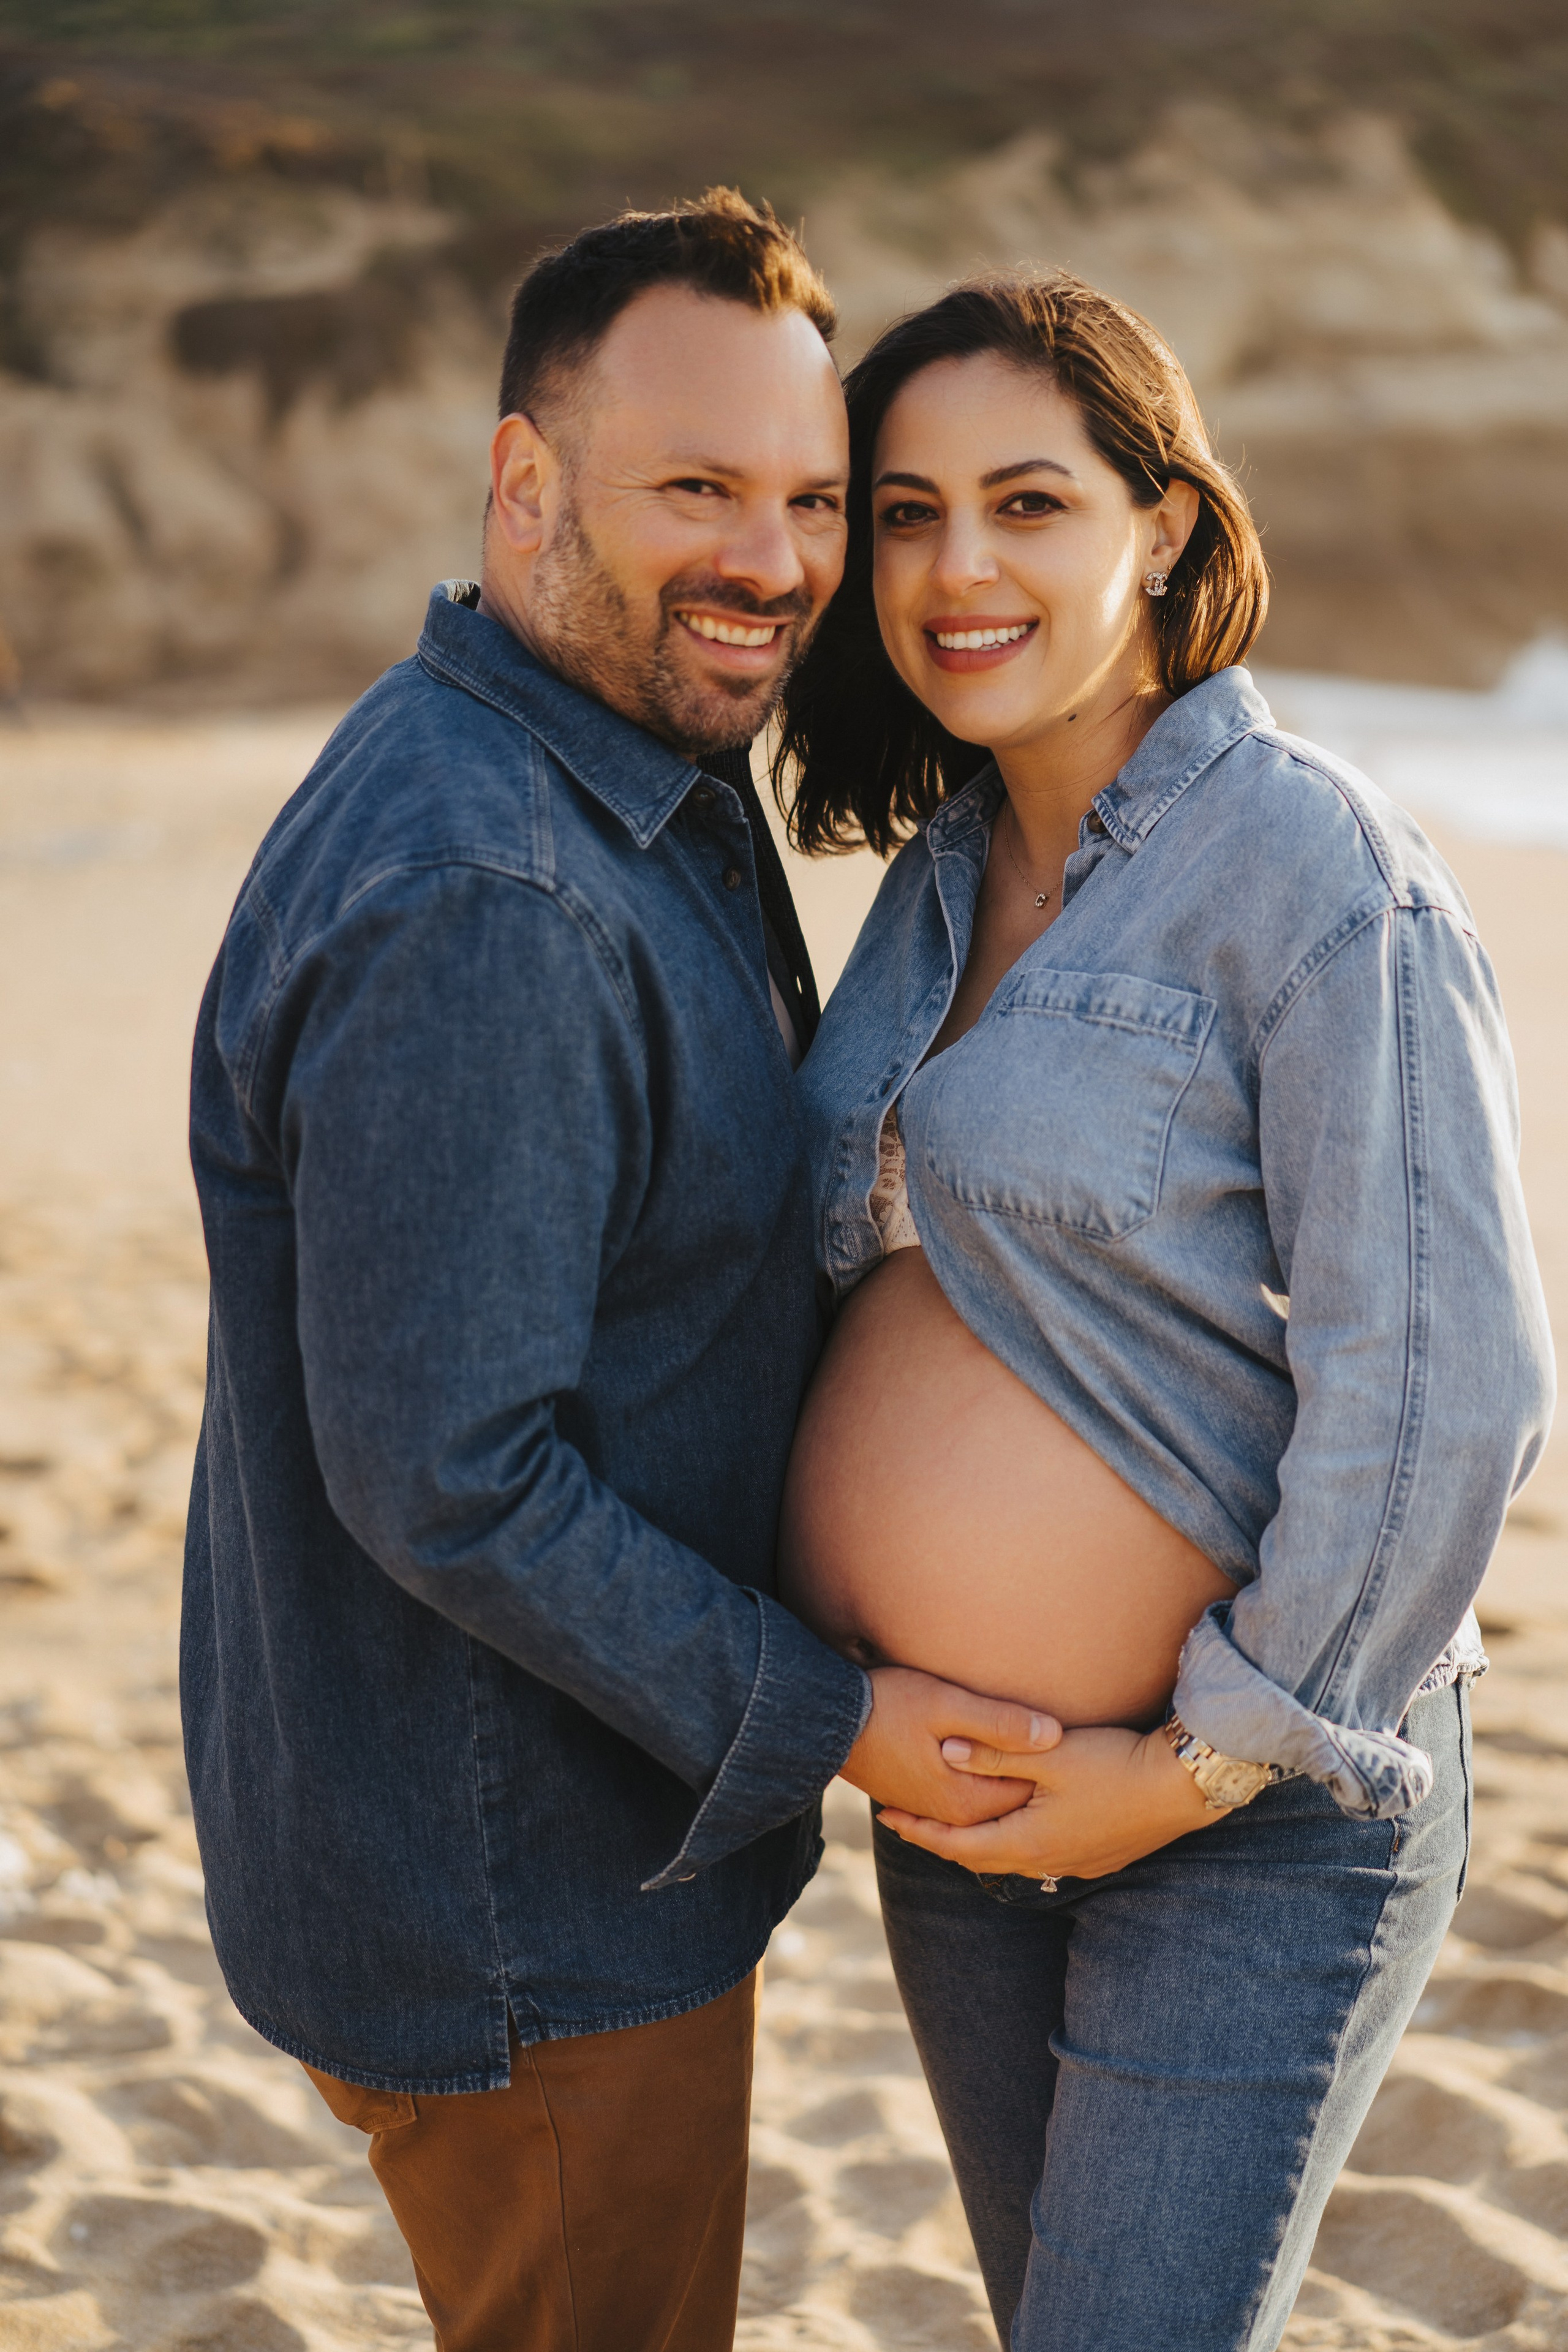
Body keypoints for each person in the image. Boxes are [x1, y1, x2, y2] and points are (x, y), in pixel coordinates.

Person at [182, 192, 1051, 2352]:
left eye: (807, 499)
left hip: (527, 1843)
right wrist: (834, 1718)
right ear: (523, 482)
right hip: (525, 1903)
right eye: (694, 490)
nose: (770, 558)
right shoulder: (493, 889)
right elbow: (452, 1472)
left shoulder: (622, 766)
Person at [775, 271, 1556, 2351]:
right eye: (911, 512)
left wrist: (1196, 1765)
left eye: (1029, 504)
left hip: (1249, 1803)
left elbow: (1451, 1380)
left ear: (1170, 527)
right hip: (965, 1814)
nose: (958, 570)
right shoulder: (937, 877)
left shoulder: (1312, 870)